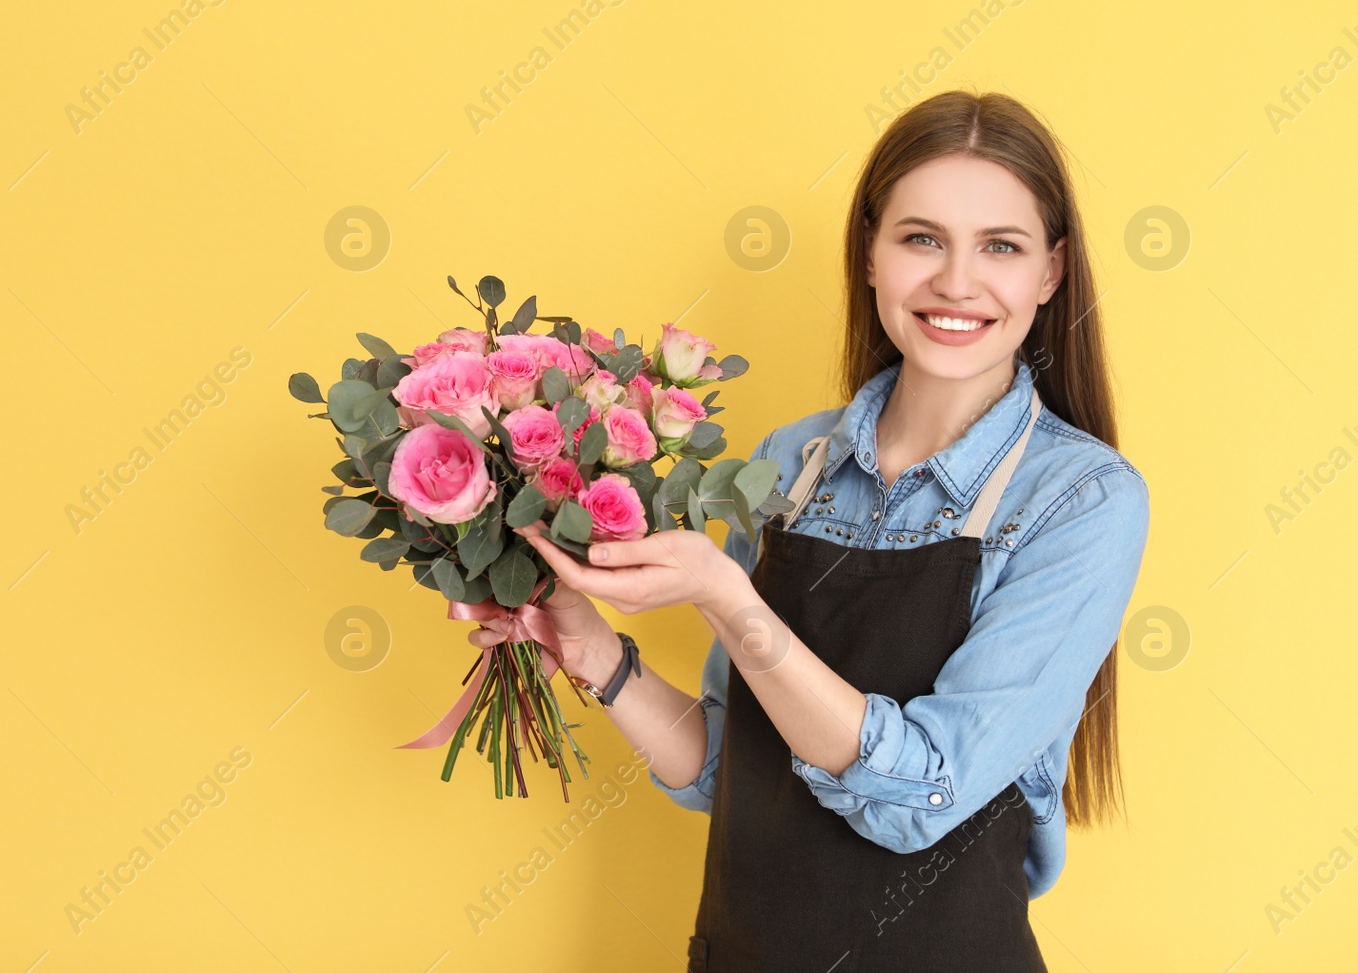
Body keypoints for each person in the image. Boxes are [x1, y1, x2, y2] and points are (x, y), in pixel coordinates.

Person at [471, 89, 1150, 971]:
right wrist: (592, 648)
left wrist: (724, 598)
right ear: (869, 255)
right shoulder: (790, 462)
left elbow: (923, 793)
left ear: (1050, 274)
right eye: (921, 238)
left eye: (1002, 247)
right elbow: (729, 768)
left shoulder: (1082, 499)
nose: (955, 281)